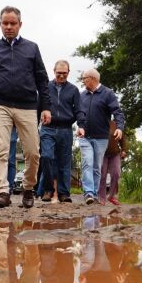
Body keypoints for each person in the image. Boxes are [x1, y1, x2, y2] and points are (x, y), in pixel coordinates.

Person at [0, 6, 51, 209]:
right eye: (5, 23)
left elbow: (42, 80)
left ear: (20, 24)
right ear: (0, 24)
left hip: (27, 106)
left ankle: (27, 188)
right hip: (0, 105)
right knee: (0, 150)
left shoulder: (32, 48)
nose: (9, 27)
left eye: (12, 23)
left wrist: (45, 107)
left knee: (33, 152)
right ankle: (2, 191)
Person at [39, 60, 84, 203]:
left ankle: (64, 193)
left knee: (65, 162)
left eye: (64, 73)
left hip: (65, 129)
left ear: (68, 73)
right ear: (54, 71)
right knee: (46, 157)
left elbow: (79, 110)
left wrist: (81, 125)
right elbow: (37, 106)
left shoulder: (73, 90)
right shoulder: (45, 87)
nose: (62, 76)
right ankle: (48, 190)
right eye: (59, 73)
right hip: (48, 128)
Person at [78, 69, 125, 205]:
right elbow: (79, 113)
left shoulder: (107, 93)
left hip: (101, 138)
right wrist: (80, 125)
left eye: (84, 78)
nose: (83, 81)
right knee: (87, 162)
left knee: (97, 167)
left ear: (93, 78)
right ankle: (88, 193)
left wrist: (120, 128)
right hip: (85, 136)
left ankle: (94, 192)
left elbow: (118, 112)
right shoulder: (82, 96)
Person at [98, 119, 127, 206]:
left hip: (115, 153)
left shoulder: (116, 124)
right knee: (102, 175)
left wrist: (124, 150)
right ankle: (101, 197)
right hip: (102, 154)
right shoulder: (98, 122)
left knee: (116, 173)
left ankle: (112, 196)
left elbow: (122, 138)